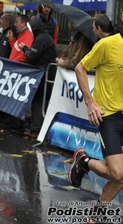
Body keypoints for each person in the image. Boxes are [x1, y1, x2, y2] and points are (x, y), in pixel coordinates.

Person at [68, 24, 123, 222]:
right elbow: (80, 67)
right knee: (118, 173)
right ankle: (84, 162)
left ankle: (96, 215)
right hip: (108, 115)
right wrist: (90, 103)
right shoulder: (108, 44)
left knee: (122, 175)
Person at [18, 18, 57, 139]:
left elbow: (31, 57)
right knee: (41, 102)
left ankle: (36, 130)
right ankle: (37, 128)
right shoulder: (45, 37)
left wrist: (24, 48)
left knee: (38, 102)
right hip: (46, 73)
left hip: (43, 74)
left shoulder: (40, 39)